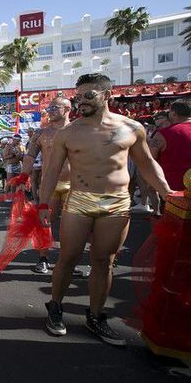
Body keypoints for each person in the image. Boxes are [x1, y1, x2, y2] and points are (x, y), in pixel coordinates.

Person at [38, 74, 173, 346]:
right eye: (78, 96)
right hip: (79, 201)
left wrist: (167, 193)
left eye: (88, 95)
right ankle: (55, 307)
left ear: (107, 96)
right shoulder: (69, 133)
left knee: (104, 261)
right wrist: (42, 203)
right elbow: (51, 172)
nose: (81, 101)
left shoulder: (132, 128)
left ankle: (96, 316)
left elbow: (147, 164)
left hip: (117, 203)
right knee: (68, 257)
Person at [20, 97, 85, 276]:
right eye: (49, 107)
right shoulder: (41, 133)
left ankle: (68, 263)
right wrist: (23, 176)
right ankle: (43, 259)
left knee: (73, 227)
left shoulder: (80, 131)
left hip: (75, 186)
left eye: (54, 107)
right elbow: (30, 156)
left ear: (67, 109)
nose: (50, 110)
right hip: (50, 186)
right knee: (45, 223)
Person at [148, 100, 191, 193]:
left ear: (174, 113)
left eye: (170, 111)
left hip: (174, 193)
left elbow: (150, 159)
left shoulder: (163, 134)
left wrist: (152, 183)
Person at [3, 134, 25, 201]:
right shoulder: (8, 146)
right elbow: (5, 157)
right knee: (9, 181)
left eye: (19, 141)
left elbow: (23, 156)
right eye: (18, 141)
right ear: (14, 140)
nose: (19, 142)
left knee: (16, 181)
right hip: (10, 165)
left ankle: (13, 196)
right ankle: (6, 196)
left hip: (18, 164)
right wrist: (12, 155)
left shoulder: (20, 146)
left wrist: (21, 155)